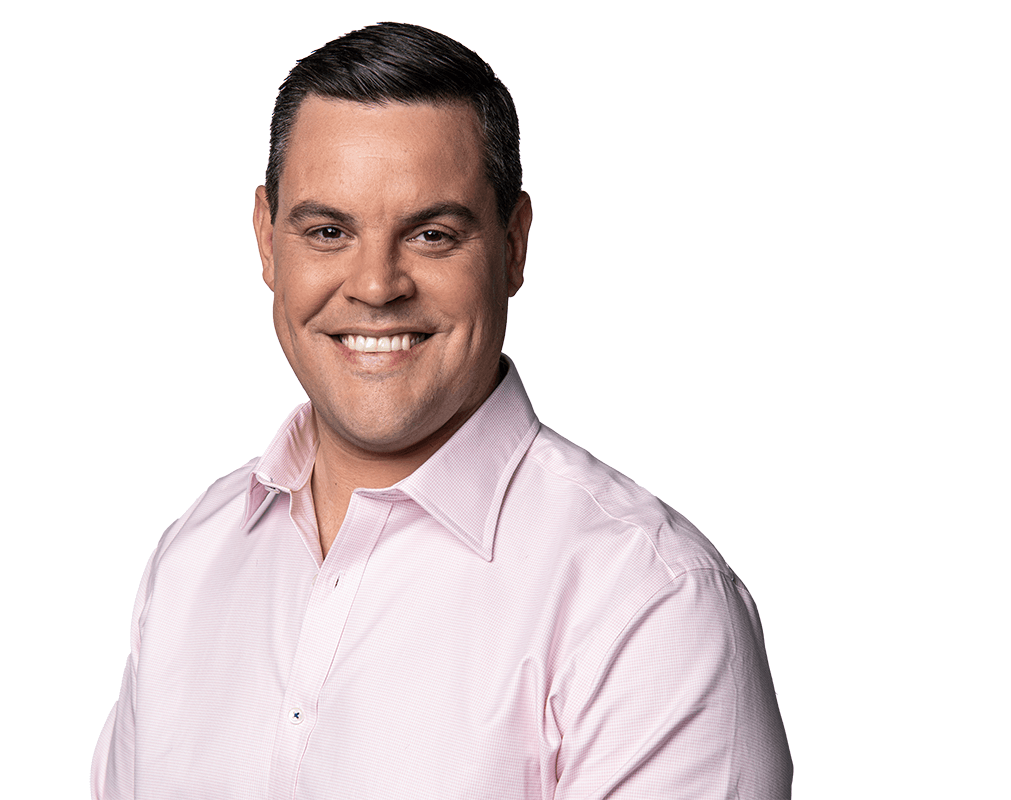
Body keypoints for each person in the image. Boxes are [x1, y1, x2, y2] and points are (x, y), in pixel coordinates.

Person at [92, 22, 791, 799]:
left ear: (513, 245)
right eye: (328, 231)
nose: (376, 286)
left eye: (431, 234)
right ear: (267, 239)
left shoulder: (650, 606)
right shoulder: (191, 561)